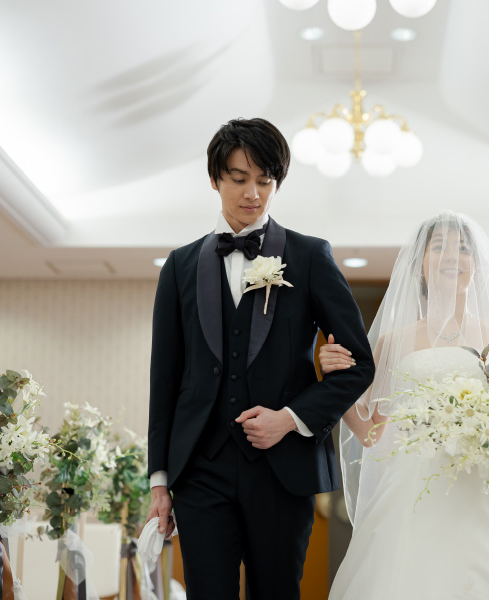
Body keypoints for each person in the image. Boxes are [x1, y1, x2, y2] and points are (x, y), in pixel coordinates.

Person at [146, 118, 375, 599]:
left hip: (282, 471)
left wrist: (290, 419)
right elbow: (164, 380)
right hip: (200, 469)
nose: (253, 193)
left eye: (265, 181)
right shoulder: (180, 266)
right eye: (239, 178)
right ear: (215, 179)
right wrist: (159, 482)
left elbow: (360, 365)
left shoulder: (309, 256)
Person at [321, 211, 489, 600]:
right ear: (419, 263)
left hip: (484, 485)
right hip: (413, 486)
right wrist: (336, 382)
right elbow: (372, 432)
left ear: (476, 264)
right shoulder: (393, 341)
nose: (452, 257)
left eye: (463, 249)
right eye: (439, 247)